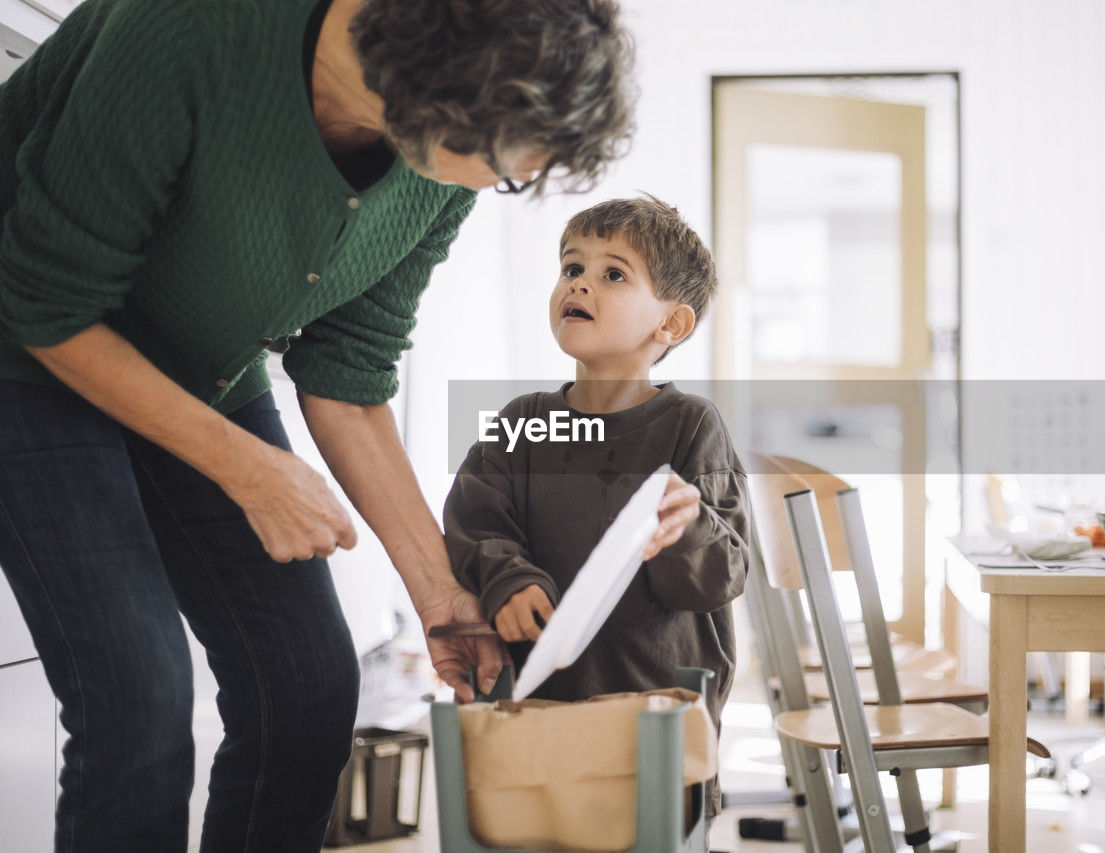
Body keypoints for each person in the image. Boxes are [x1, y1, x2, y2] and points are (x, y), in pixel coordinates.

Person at [0, 0, 634, 848]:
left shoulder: (441, 167)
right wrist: (249, 468)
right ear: (428, 84)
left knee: (307, 690)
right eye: (500, 166)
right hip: (29, 346)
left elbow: (348, 371)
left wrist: (441, 593)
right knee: (139, 695)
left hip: (201, 371)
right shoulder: (193, 30)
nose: (490, 187)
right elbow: (43, 296)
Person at [443, 195, 750, 810]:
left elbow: (724, 573)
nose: (579, 283)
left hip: (655, 707)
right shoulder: (522, 421)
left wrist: (686, 528)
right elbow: (474, 520)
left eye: (613, 273)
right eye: (570, 268)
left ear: (671, 325)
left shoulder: (691, 425)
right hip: (534, 709)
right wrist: (508, 579)